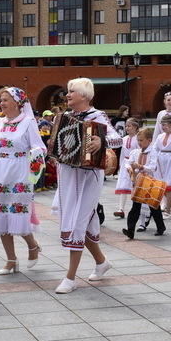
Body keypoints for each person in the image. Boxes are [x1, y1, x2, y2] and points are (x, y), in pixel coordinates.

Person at [55, 78, 121, 294]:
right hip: (68, 174)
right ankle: (101, 262)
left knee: (77, 222)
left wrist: (101, 140)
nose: (68, 95)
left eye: (71, 91)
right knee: (83, 222)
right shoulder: (66, 117)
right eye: (68, 91)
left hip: (88, 176)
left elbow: (116, 138)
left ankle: (70, 277)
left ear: (84, 95)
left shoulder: (97, 116)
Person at [0, 87, 46, 275]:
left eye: (6, 100)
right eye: (1, 100)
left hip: (20, 171)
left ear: (18, 102)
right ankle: (11, 260)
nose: (2, 103)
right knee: (1, 215)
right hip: (0, 171)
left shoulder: (28, 122)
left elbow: (40, 147)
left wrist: (34, 155)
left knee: (18, 214)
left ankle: (32, 246)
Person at [121, 127, 166, 239]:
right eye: (138, 140)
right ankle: (130, 229)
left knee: (153, 206)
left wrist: (141, 166)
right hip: (138, 182)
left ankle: (161, 227)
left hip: (150, 182)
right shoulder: (135, 152)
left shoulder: (153, 152)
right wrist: (129, 168)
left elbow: (152, 168)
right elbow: (127, 162)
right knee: (135, 206)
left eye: (141, 140)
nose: (139, 143)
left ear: (149, 140)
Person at [113, 118, 140, 218]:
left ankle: (137, 208)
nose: (126, 128)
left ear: (135, 127)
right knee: (124, 185)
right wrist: (120, 165)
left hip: (135, 164)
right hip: (125, 164)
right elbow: (122, 153)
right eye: (126, 126)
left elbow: (140, 152)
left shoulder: (138, 139)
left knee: (135, 186)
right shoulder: (124, 139)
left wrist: (137, 166)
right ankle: (121, 209)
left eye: (129, 126)